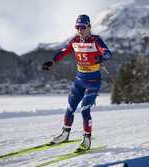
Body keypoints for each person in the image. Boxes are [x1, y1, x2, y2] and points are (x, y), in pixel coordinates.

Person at [42, 14, 112, 151]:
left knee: (85, 110)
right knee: (70, 108)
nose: (80, 30)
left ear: (89, 27)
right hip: (79, 81)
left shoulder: (96, 41)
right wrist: (52, 61)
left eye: (82, 27)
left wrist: (102, 57)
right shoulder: (74, 40)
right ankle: (65, 134)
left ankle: (87, 139)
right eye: (77, 27)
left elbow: (108, 53)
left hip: (93, 82)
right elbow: (63, 52)